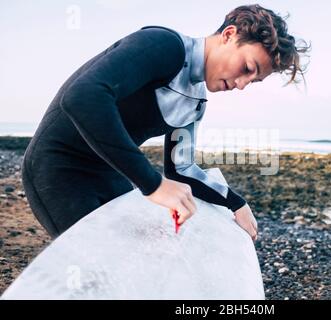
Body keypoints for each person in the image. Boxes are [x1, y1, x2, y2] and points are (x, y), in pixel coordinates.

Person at [21, 4, 308, 240]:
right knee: (94, 272)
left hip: (112, 173)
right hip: (59, 169)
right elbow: (82, 97)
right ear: (229, 34)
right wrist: (153, 184)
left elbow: (181, 169)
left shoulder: (194, 102)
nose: (243, 85)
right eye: (247, 68)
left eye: (253, 81)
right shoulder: (164, 45)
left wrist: (236, 203)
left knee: (128, 264)